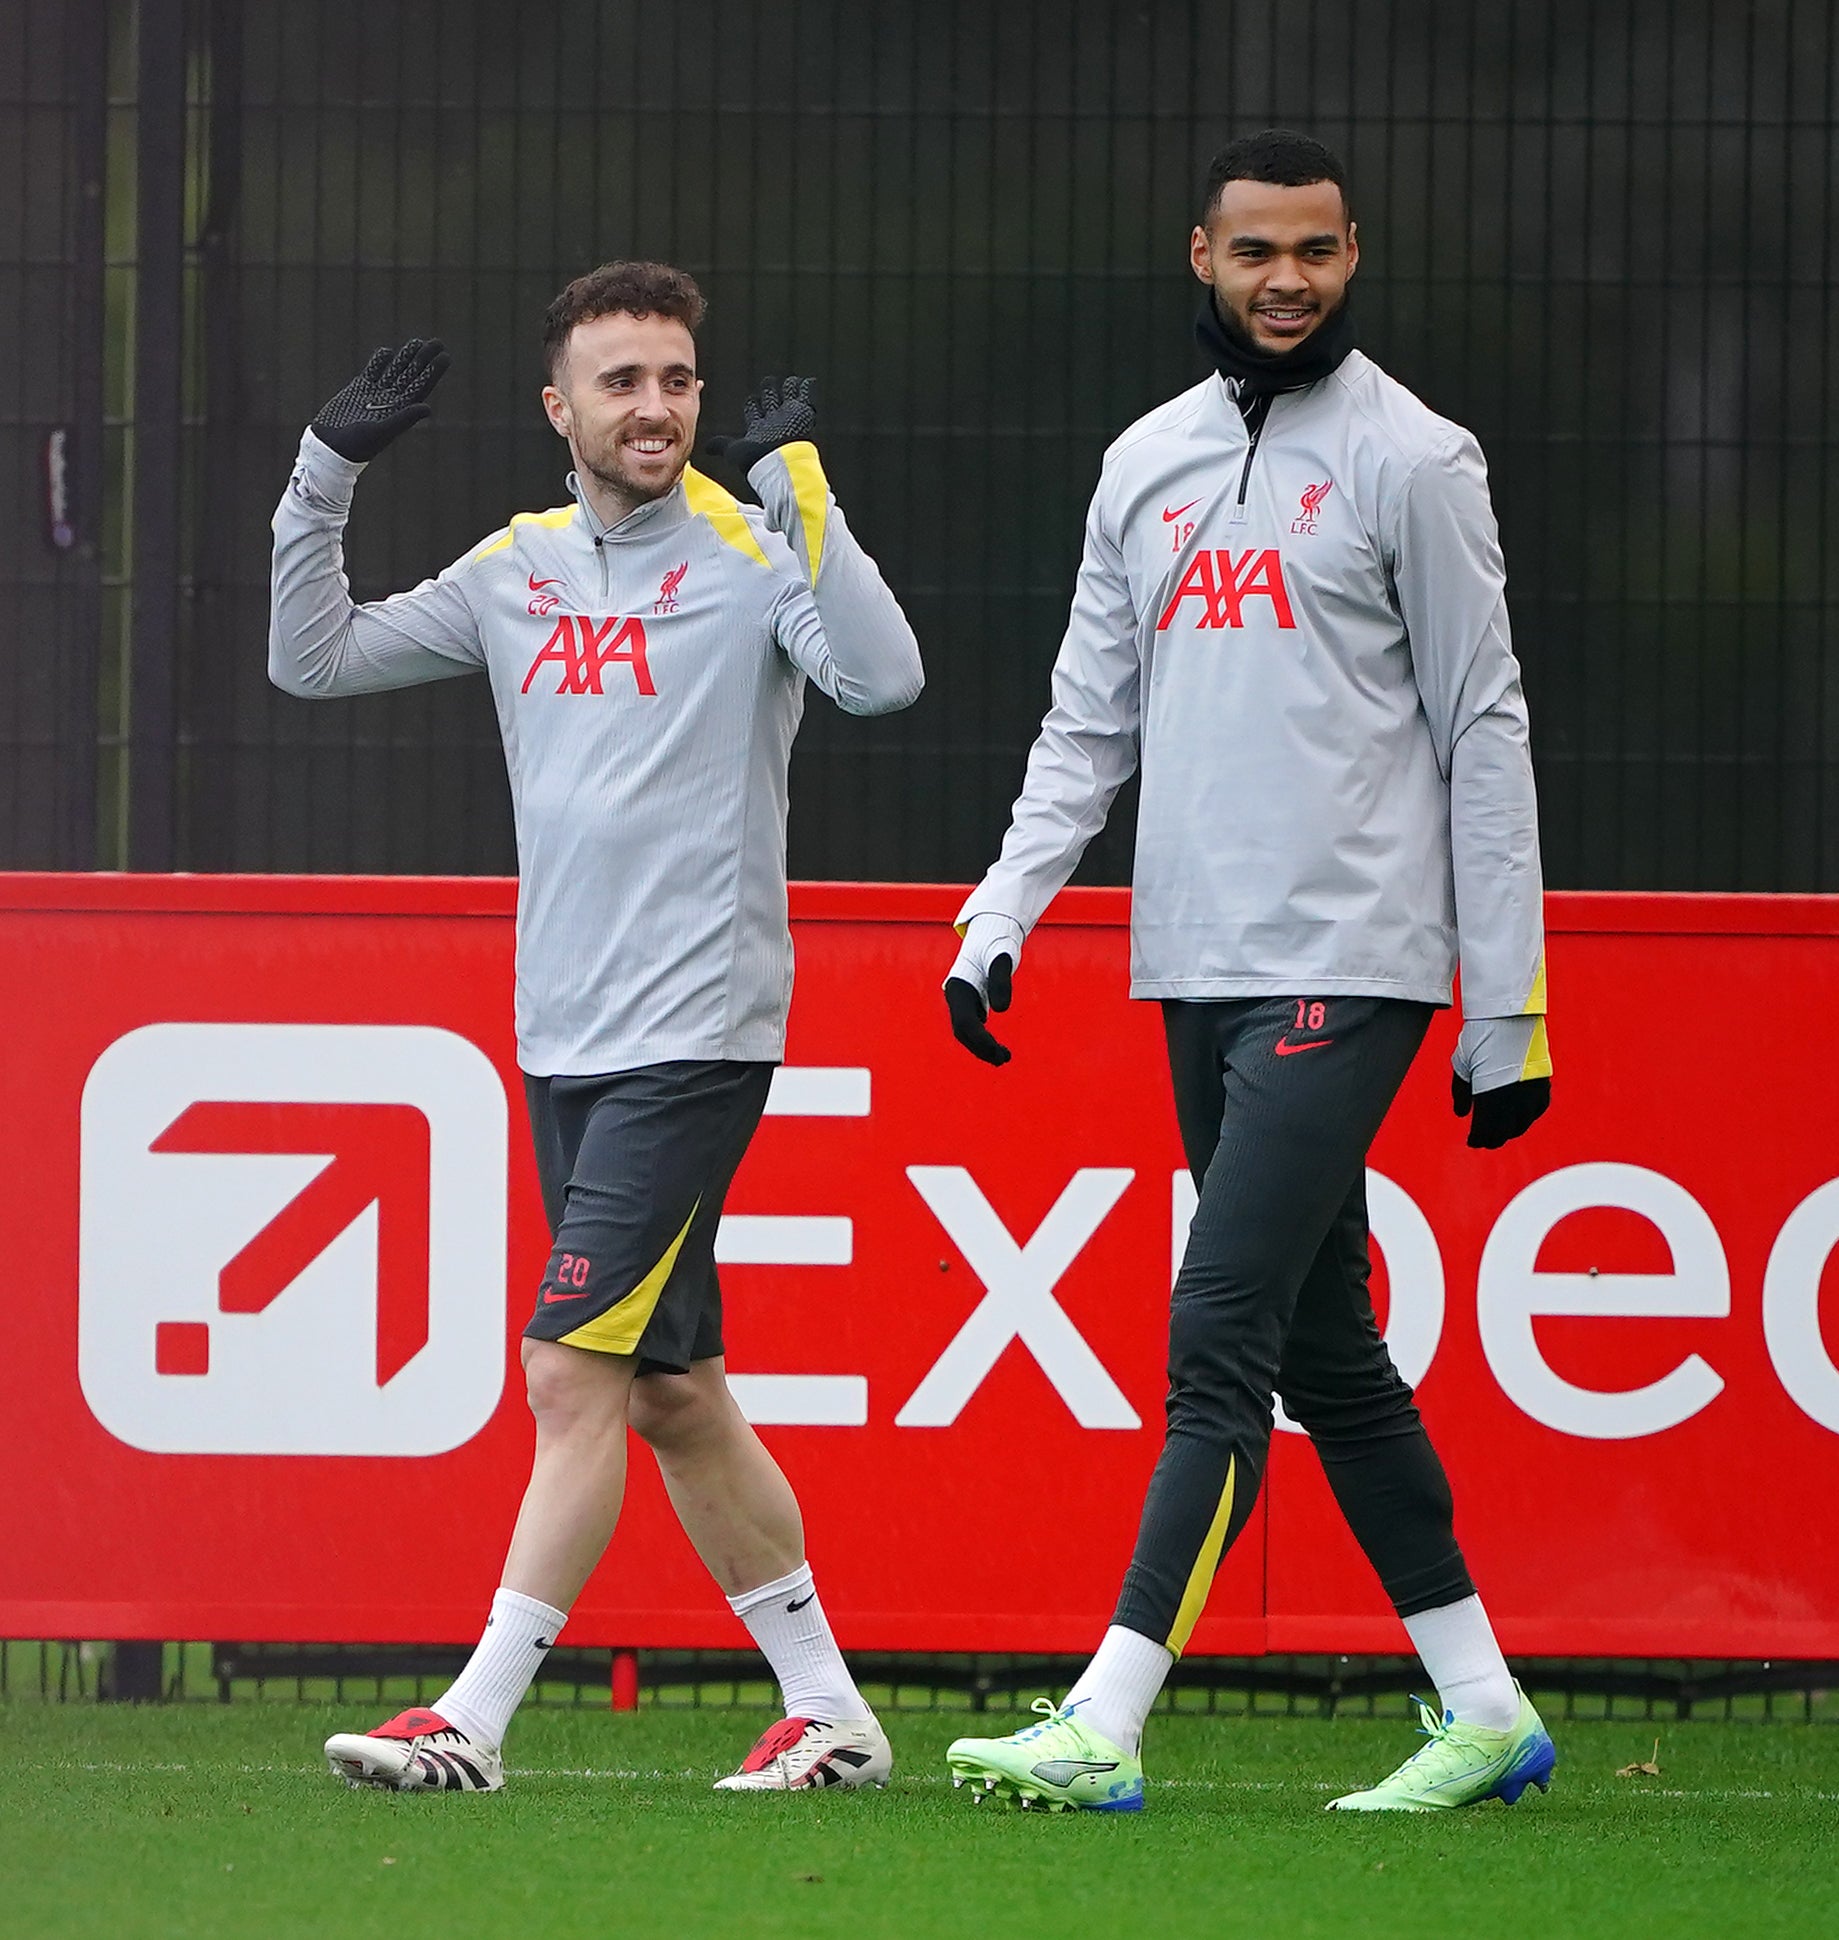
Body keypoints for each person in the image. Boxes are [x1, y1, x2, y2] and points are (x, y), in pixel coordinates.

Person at [935, 129, 1555, 1815]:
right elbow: (1087, 718)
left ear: (1354, 256)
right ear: (1196, 255)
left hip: (1353, 960)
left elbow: (1482, 726)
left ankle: (1107, 1718)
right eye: (1254, 251)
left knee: (1212, 1326)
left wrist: (1504, 1012)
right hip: (1190, 964)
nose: (1287, 280)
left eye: (1318, 251)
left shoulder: (1419, 458)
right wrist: (1000, 917)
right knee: (1322, 1350)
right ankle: (1486, 1707)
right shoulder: (1140, 461)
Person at [269, 261, 923, 1793]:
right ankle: (831, 1711)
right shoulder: (514, 567)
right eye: (621, 381)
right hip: (559, 1031)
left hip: (694, 1032)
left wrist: (798, 486)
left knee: (570, 1374)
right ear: (558, 407)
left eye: (677, 380)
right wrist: (325, 472)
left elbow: (882, 680)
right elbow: (311, 661)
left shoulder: (758, 549)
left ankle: (473, 1720)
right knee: (674, 1392)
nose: (655, 407)